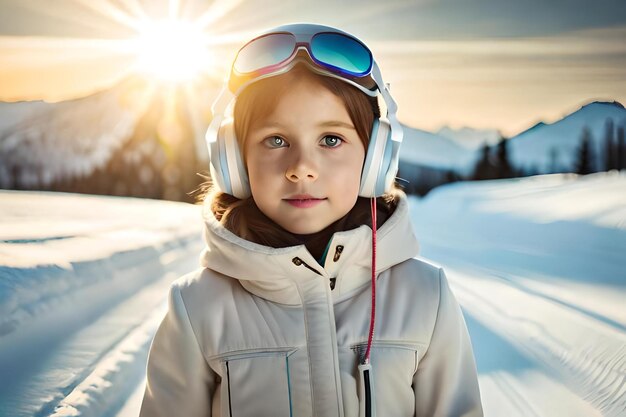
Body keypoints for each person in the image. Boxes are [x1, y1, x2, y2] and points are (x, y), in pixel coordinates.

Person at [139, 22, 483, 417]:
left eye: (331, 140)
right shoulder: (197, 307)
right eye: (276, 140)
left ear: (376, 159)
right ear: (235, 162)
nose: (301, 168)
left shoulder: (425, 296)